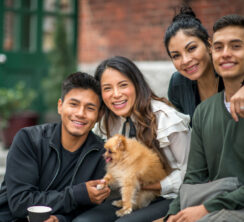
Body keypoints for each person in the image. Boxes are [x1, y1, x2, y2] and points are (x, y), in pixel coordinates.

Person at [0, 72, 111, 222]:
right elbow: (20, 203)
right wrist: (76, 194)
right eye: (73, 104)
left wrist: (59, 219)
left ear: (99, 114)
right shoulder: (29, 139)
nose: (80, 113)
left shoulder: (102, 155)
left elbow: (89, 210)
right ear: (60, 106)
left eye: (90, 108)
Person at [73, 56, 191, 222]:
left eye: (123, 85)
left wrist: (148, 185)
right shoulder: (106, 121)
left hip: (169, 196)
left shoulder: (166, 119)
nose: (116, 94)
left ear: (137, 85)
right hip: (128, 194)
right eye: (107, 88)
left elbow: (191, 174)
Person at [166, 14, 244, 222]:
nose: (185, 60)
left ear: (206, 46)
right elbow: (194, 175)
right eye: (219, 48)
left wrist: (207, 208)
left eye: (235, 46)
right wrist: (172, 215)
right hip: (217, 194)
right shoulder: (196, 105)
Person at [164, 6, 244, 124]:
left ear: (209, 44)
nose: (185, 60)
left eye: (191, 48)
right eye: (176, 56)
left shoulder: (230, 68)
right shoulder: (177, 84)